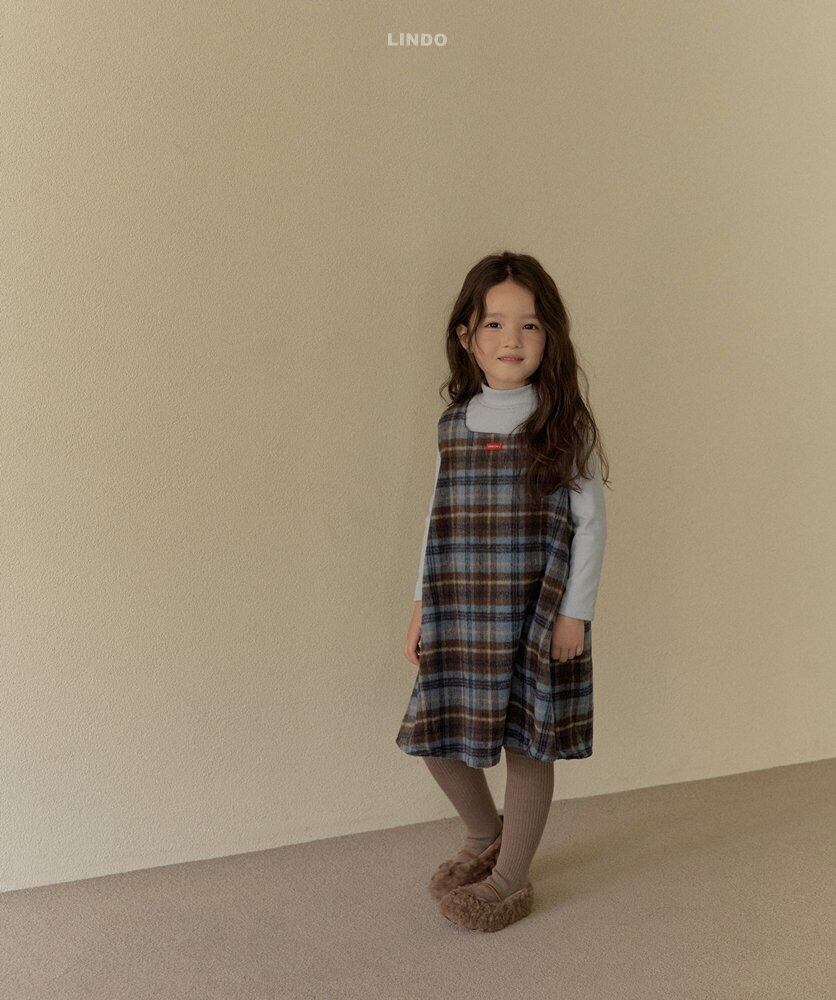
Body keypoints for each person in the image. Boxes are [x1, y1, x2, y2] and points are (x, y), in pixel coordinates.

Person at [395, 251, 609, 931]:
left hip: (534, 612)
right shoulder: (453, 424)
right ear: (467, 336)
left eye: (530, 325)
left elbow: (591, 524)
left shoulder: (562, 425)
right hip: (460, 608)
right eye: (494, 323)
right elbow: (437, 519)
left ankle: (510, 876)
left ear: (550, 337)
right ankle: (485, 833)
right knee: (435, 737)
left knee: (527, 744)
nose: (511, 339)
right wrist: (421, 605)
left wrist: (575, 613)